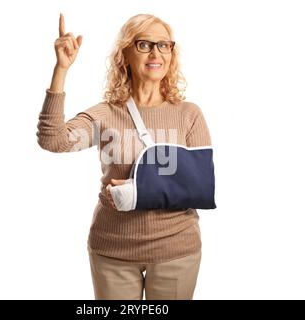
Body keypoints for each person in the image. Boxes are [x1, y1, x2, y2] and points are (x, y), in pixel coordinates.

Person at [37, 13, 213, 300]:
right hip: (113, 250)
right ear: (126, 54)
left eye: (164, 45)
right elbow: (53, 140)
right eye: (144, 44)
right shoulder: (105, 114)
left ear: (171, 53)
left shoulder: (188, 115)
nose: (156, 52)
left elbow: (200, 188)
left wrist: (137, 192)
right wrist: (61, 70)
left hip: (175, 249)